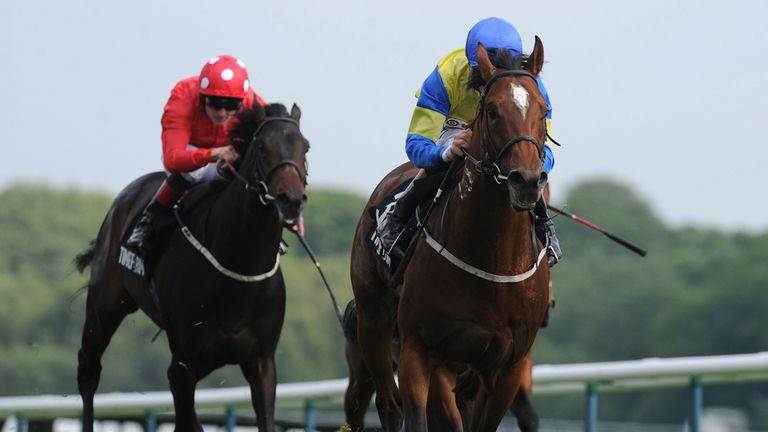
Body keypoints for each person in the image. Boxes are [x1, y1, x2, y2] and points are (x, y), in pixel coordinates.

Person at [378, 17, 562, 266]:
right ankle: (396, 220)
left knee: (526, 166)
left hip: (503, 133)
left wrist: (536, 165)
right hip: (456, 128)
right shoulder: (445, 77)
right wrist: (445, 153)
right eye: (485, 75)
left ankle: (544, 226)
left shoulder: (531, 89)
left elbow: (546, 149)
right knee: (442, 164)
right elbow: (416, 145)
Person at [124, 54, 267, 257]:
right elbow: (173, 159)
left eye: (231, 107)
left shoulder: (253, 103)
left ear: (242, 102)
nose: (222, 113)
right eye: (215, 104)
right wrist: (214, 154)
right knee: (193, 172)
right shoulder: (183, 94)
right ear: (202, 96)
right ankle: (149, 220)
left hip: (229, 155)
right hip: (193, 153)